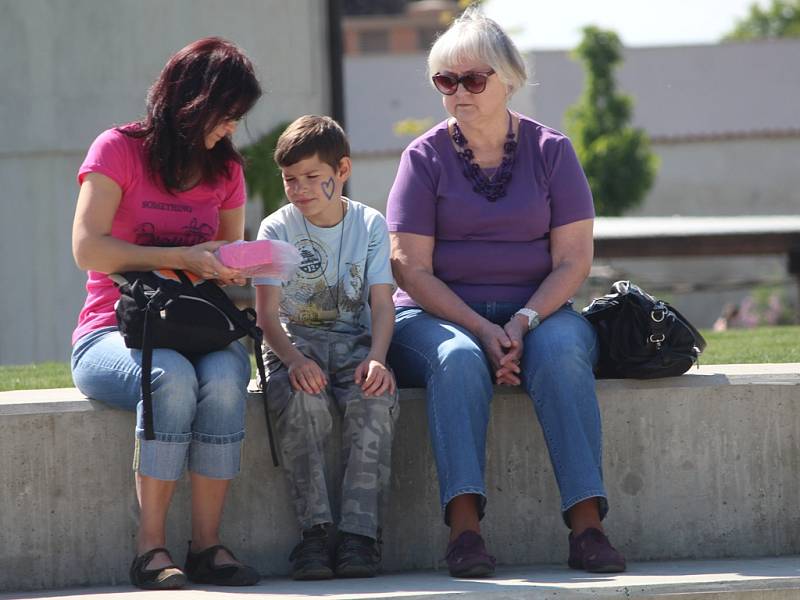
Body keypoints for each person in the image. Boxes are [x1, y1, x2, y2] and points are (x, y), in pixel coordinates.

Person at [386, 9, 626, 577]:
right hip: (436, 316)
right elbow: (409, 269)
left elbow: (573, 260)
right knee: (459, 359)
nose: (458, 92)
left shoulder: (553, 152)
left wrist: (520, 322)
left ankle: (588, 527)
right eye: (446, 80)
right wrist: (479, 326)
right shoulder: (422, 158)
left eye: (473, 79)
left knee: (565, 353)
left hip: (538, 310)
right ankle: (466, 534)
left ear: (508, 79)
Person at [70, 37, 262, 590]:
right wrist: (177, 256)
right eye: (227, 115)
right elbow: (89, 249)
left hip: (196, 327)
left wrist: (235, 267)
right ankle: (149, 548)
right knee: (169, 377)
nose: (232, 128)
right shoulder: (117, 149)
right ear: (193, 101)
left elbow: (226, 257)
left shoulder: (227, 171)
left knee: (228, 374)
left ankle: (206, 545)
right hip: (111, 331)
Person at [254, 115, 399, 580]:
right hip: (295, 344)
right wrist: (293, 360)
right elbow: (267, 316)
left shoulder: (370, 224)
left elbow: (381, 304)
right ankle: (315, 535)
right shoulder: (275, 229)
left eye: (313, 178)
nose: (300, 189)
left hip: (356, 344)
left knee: (374, 400)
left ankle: (360, 537)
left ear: (342, 171)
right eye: (290, 180)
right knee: (302, 402)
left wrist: (378, 357)